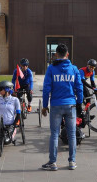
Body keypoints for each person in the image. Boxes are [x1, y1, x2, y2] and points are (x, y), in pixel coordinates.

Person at [41, 43, 83, 171]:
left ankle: (53, 162)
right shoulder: (74, 69)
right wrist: (79, 104)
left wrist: (44, 106)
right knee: (71, 134)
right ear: (68, 54)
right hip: (70, 105)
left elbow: (46, 89)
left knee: (54, 134)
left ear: (56, 54)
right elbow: (79, 88)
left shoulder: (51, 69)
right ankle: (72, 162)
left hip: (56, 105)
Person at [0, 81, 21, 145]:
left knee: (6, 141)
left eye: (0, 89)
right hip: (1, 124)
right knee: (0, 140)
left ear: (7, 89)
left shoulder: (15, 100)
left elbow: (18, 114)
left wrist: (14, 125)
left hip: (10, 125)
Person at [76, 59, 97, 125]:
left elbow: (92, 82)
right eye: (90, 67)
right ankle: (79, 113)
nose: (91, 68)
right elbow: (83, 81)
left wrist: (95, 89)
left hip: (81, 84)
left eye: (93, 67)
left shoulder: (92, 72)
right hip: (76, 84)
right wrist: (92, 88)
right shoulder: (82, 70)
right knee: (82, 97)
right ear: (87, 66)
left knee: (88, 99)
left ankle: (86, 114)